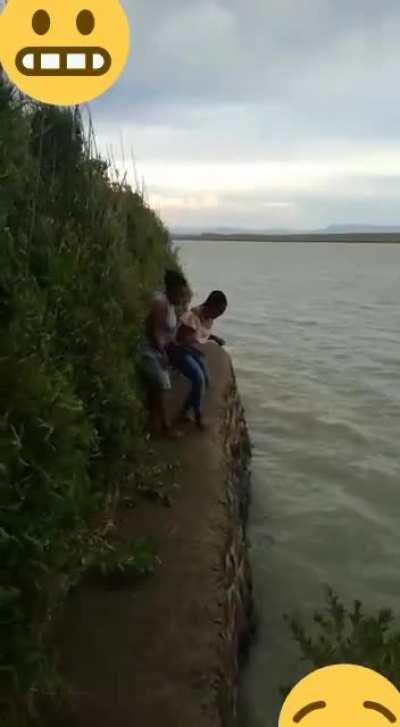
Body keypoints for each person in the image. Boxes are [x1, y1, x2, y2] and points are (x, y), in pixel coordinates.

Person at [140, 269, 191, 436]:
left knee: (162, 385)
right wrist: (163, 354)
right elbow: (153, 332)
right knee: (163, 384)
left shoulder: (168, 303)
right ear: (172, 289)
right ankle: (166, 428)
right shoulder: (161, 303)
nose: (182, 299)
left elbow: (166, 333)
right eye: (180, 294)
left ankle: (154, 423)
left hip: (159, 347)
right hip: (148, 349)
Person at [169, 291, 228, 430]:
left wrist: (213, 338)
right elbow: (180, 339)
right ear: (210, 305)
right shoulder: (193, 317)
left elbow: (200, 332)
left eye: (222, 312)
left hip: (191, 351)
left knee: (205, 381)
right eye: (219, 311)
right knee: (199, 379)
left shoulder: (208, 318)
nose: (219, 315)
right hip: (178, 351)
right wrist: (195, 349)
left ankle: (184, 411)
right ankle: (198, 416)